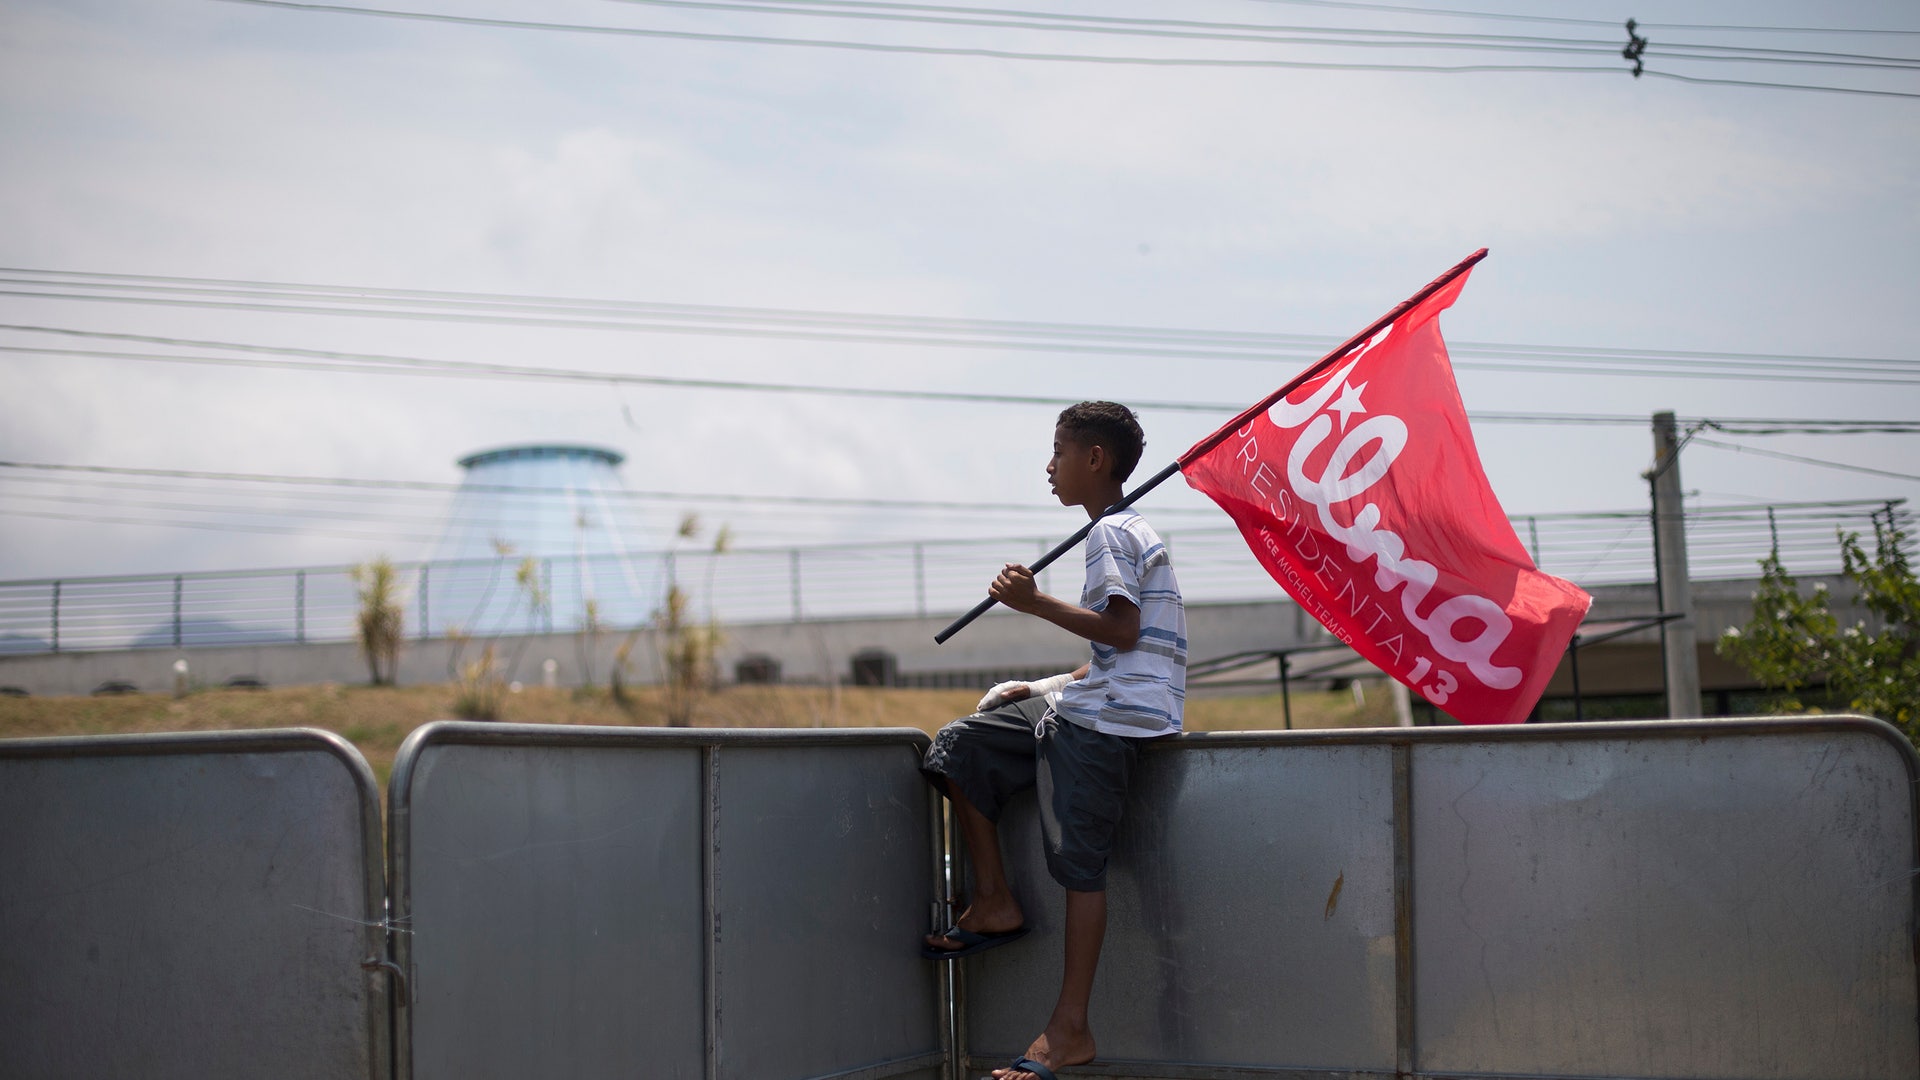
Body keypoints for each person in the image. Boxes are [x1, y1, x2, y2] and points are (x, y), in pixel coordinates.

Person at [920, 401, 1187, 1080]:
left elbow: (1122, 631)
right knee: (962, 746)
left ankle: (1070, 1029)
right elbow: (1114, 652)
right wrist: (1039, 687)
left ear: (1094, 459)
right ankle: (995, 901)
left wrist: (1032, 602)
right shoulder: (1118, 530)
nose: (1049, 466)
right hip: (1097, 699)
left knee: (1080, 867)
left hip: (1108, 724)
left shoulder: (1113, 535)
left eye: (1059, 452)